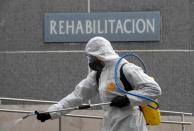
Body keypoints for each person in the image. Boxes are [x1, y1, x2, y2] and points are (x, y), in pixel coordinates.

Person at [36, 36, 162, 131]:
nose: (91, 61)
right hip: (110, 124)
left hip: (131, 124)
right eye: (89, 58)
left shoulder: (125, 68)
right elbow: (76, 96)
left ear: (101, 54)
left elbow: (154, 89)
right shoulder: (98, 75)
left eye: (93, 57)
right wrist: (50, 113)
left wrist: (128, 99)